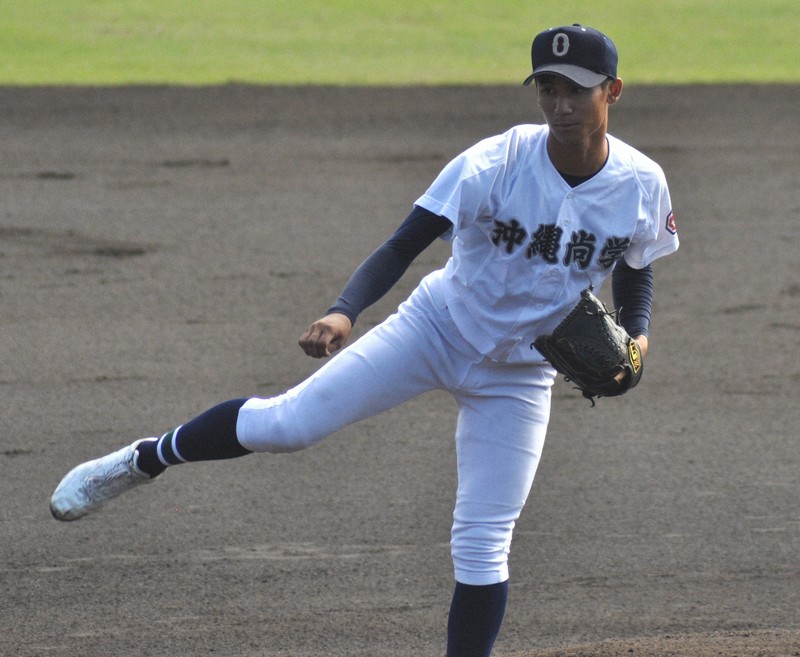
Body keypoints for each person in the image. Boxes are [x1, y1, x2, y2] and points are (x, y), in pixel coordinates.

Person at [50, 24, 679, 657]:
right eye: (548, 88)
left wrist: (641, 335)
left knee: (485, 538)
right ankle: (145, 459)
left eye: (576, 90)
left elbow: (635, 263)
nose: (561, 105)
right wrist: (344, 311)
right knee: (287, 425)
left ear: (613, 92)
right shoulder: (495, 162)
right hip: (436, 329)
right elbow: (403, 243)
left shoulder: (641, 182)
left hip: (520, 375)